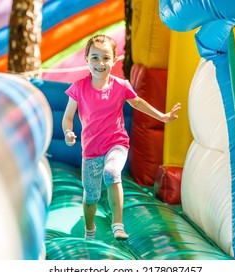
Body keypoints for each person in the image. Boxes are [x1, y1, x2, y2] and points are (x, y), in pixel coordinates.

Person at [62, 34, 181, 241]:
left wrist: (162, 116)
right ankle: (90, 230)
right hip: (91, 151)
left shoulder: (121, 86)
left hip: (116, 144)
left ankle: (118, 224)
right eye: (95, 58)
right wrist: (68, 132)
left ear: (114, 60)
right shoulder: (79, 88)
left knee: (111, 172)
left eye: (106, 58)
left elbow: (138, 103)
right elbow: (67, 118)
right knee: (91, 197)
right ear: (87, 60)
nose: (100, 63)